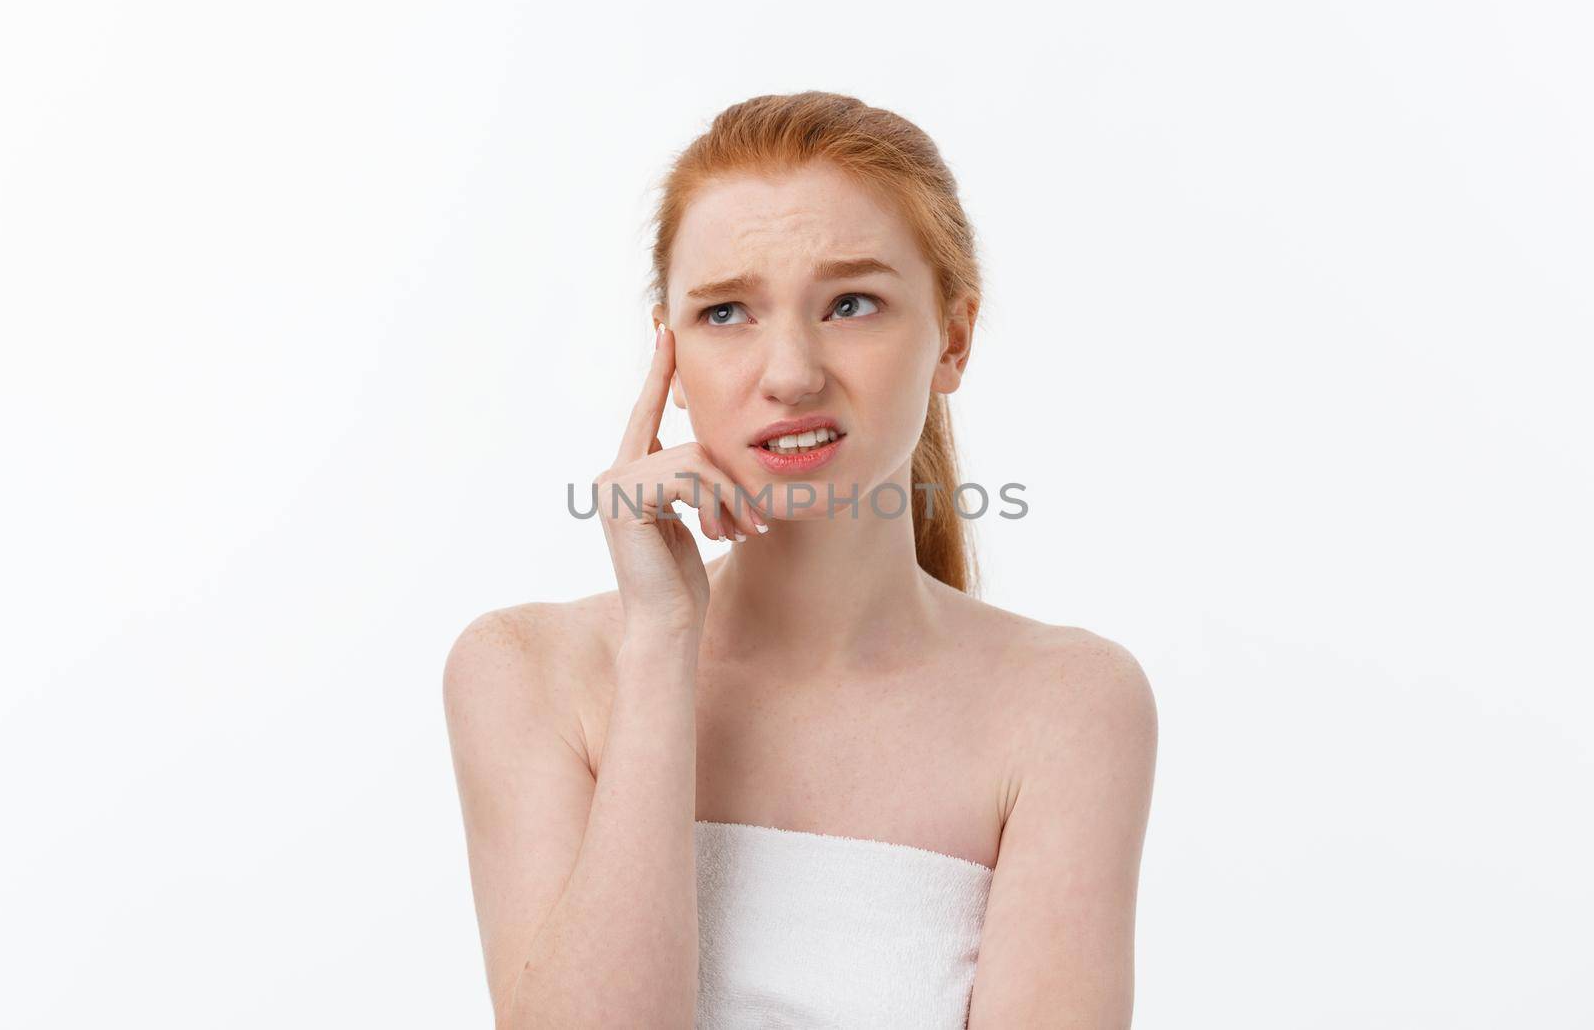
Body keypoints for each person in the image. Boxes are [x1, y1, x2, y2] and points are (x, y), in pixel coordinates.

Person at [444, 91, 1159, 1029]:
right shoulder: (526, 673)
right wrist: (661, 640)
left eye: (851, 303)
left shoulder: (1068, 704)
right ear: (669, 355)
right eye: (728, 312)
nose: (789, 373)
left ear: (953, 336)